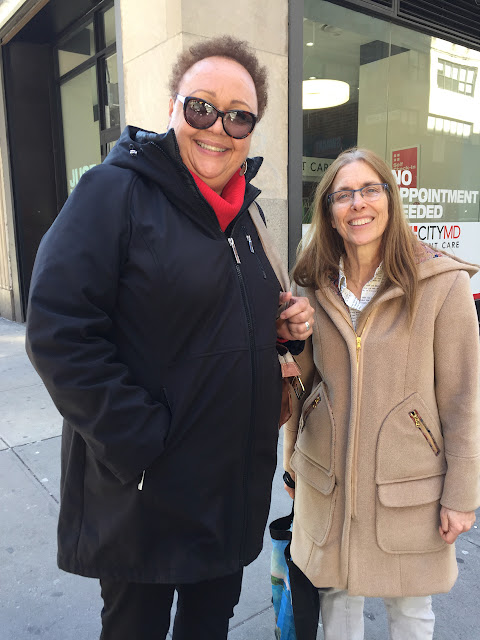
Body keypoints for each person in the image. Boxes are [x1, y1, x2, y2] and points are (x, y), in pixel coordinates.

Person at [25, 35, 314, 640]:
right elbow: (59, 330)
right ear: (172, 108)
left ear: (251, 130)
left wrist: (279, 326)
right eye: (201, 107)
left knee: (209, 626)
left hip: (228, 489)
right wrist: (140, 440)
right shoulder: (114, 192)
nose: (218, 129)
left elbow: (213, 317)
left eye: (238, 116)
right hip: (147, 494)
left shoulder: (247, 215)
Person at [282, 147, 480, 640]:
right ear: (329, 211)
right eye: (343, 194)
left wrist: (462, 494)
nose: (358, 203)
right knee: (335, 599)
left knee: (410, 608)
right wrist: (291, 461)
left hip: (408, 482)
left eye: (370, 189)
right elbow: (302, 385)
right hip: (327, 475)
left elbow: (463, 399)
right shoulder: (311, 283)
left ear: (390, 198)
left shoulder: (442, 284)